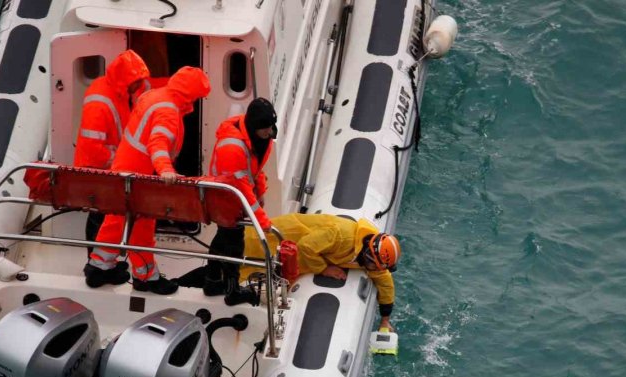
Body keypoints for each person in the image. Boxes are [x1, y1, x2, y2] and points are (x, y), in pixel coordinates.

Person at [84, 66, 212, 295]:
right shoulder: (169, 111)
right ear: (190, 94)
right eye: (199, 96)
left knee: (115, 221)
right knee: (142, 227)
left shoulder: (154, 96)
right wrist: (165, 171)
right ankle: (146, 277)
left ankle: (99, 268)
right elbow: (158, 142)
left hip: (124, 170)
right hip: (141, 179)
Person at [241, 213, 401, 330]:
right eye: (374, 266)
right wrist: (324, 269)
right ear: (369, 257)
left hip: (287, 259)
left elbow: (384, 282)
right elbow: (306, 246)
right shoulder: (340, 235)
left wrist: (385, 320)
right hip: (273, 240)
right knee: (238, 261)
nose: (375, 271)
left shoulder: (371, 257)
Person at [73, 50, 151, 248]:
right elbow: (93, 149)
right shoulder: (99, 104)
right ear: (126, 80)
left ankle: (103, 262)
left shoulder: (118, 91)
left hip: (110, 169)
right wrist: (121, 160)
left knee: (107, 217)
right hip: (97, 171)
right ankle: (95, 262)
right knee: (99, 218)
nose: (140, 85)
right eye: (137, 80)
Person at [204, 98, 276, 305]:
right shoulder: (233, 148)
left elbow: (255, 169)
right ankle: (232, 290)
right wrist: (262, 221)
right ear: (254, 127)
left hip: (232, 195)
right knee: (234, 242)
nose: (269, 132)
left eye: (271, 126)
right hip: (225, 198)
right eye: (265, 128)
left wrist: (261, 191)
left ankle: (212, 281)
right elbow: (241, 186)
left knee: (222, 239)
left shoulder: (254, 136)